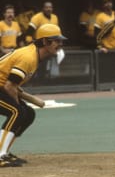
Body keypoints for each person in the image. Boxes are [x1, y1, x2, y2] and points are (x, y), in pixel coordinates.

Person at [0, 24, 67, 167]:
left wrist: (25, 100)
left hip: (3, 88)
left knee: (28, 113)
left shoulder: (34, 55)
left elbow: (12, 85)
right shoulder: (28, 57)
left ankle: (4, 151)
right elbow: (9, 86)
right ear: (44, 42)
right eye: (56, 41)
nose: (60, 44)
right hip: (3, 88)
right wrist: (20, 105)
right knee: (17, 112)